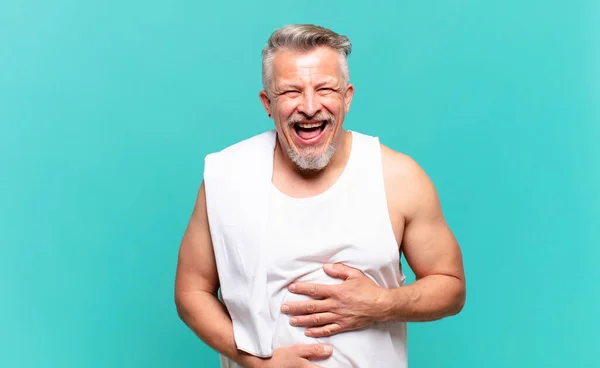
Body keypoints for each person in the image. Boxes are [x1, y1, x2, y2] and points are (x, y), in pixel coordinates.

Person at [174, 24, 466, 368]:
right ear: (267, 103)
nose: (310, 107)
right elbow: (191, 292)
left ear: (347, 96)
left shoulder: (399, 177)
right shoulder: (225, 176)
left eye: (325, 88)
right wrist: (256, 362)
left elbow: (450, 286)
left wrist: (380, 303)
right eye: (291, 92)